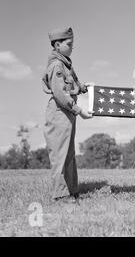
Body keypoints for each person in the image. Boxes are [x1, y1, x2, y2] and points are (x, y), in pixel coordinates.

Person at [42, 27, 93, 203]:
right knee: (60, 154)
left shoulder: (65, 64)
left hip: (66, 112)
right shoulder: (56, 65)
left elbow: (70, 87)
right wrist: (80, 111)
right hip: (60, 112)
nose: (72, 47)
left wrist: (85, 87)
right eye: (69, 44)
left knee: (69, 153)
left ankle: (72, 190)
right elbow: (60, 94)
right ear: (57, 45)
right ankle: (61, 194)